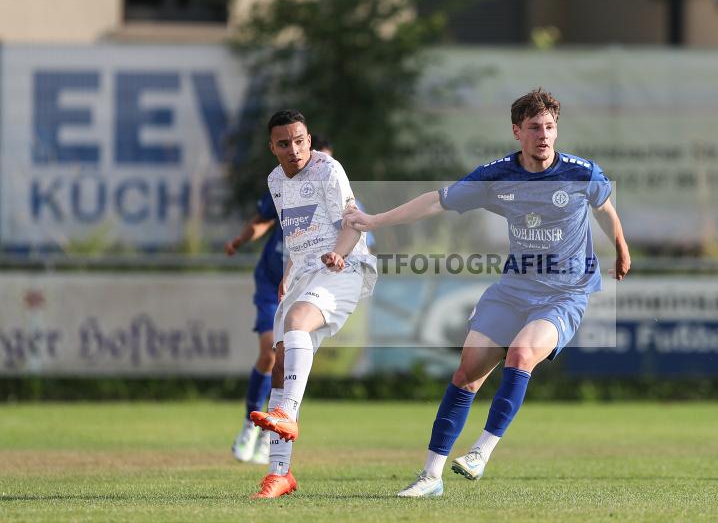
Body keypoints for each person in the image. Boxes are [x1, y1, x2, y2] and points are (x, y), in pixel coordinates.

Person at [343, 88, 631, 497]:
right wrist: (374, 221)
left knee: (521, 354)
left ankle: (481, 451)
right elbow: (436, 202)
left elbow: (604, 208)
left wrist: (621, 247)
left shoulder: (581, 173)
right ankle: (431, 477)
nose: (544, 135)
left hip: (564, 294)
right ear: (517, 131)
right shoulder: (497, 175)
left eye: (550, 127)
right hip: (512, 291)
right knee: (466, 375)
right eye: (534, 127)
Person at [248, 109, 377, 499]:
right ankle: (279, 474)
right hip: (304, 272)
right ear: (272, 147)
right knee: (280, 363)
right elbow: (297, 233)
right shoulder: (275, 180)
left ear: (308, 139)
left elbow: (352, 223)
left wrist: (339, 253)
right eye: (284, 143)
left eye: (300, 140)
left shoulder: (328, 170)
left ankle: (287, 411)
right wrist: (289, 272)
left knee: (298, 321)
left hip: (344, 265)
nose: (294, 149)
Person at [224, 191, 283, 465]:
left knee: (287, 359)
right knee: (270, 352)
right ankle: (250, 425)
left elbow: (362, 237)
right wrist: (240, 240)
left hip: (305, 286)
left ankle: (270, 433)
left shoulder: (339, 192)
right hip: (271, 283)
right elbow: (264, 219)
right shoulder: (286, 183)